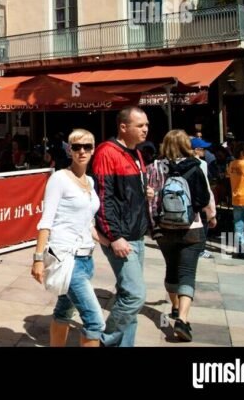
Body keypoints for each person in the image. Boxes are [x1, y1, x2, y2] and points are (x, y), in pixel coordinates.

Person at [31, 129, 104, 347]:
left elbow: (87, 223)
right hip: (67, 259)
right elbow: (46, 220)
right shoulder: (59, 179)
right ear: (69, 150)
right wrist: (37, 258)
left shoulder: (90, 182)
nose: (82, 151)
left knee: (64, 310)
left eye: (87, 147)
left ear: (93, 150)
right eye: (76, 147)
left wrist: (111, 243)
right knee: (95, 322)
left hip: (86, 258)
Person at [92, 106, 154, 347]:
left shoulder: (136, 153)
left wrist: (144, 192)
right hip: (122, 236)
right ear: (123, 127)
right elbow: (104, 198)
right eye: (140, 125)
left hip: (137, 233)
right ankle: (104, 341)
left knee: (128, 295)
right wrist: (115, 236)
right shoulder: (107, 152)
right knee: (136, 295)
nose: (145, 129)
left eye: (146, 124)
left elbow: (124, 193)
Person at [150, 130, 216, 342]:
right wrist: (211, 216)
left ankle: (176, 307)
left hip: (163, 229)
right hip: (192, 227)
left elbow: (150, 200)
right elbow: (205, 197)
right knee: (187, 272)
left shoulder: (154, 167)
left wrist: (153, 225)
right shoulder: (196, 166)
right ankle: (183, 319)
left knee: (171, 268)